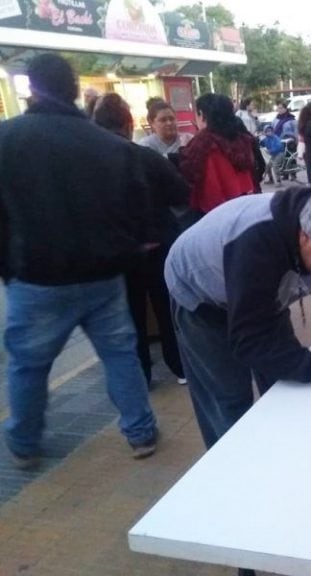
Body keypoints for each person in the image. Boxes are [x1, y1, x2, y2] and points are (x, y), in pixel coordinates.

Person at [0, 54, 158, 468]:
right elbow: (139, 211)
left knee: (29, 365)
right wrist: (125, 250)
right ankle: (141, 433)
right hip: (104, 277)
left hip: (36, 277)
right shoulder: (108, 144)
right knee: (120, 355)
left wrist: (8, 267)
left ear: (32, 88)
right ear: (73, 89)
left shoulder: (7, 139)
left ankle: (25, 443)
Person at [165, 185, 311, 449]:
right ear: (306, 237)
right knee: (229, 396)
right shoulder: (256, 244)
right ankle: (234, 465)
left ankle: (284, 449)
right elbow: (250, 341)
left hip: (261, 292)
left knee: (282, 380)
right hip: (201, 295)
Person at [92, 93, 189, 387]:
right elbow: (180, 193)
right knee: (167, 307)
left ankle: (142, 375)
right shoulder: (144, 156)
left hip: (118, 251)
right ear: (129, 122)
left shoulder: (89, 164)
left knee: (130, 316)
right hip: (158, 242)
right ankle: (180, 367)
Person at [179, 93, 256, 222]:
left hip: (217, 213)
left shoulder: (204, 142)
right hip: (245, 205)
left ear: (202, 115)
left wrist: (182, 148)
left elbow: (203, 184)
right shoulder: (241, 139)